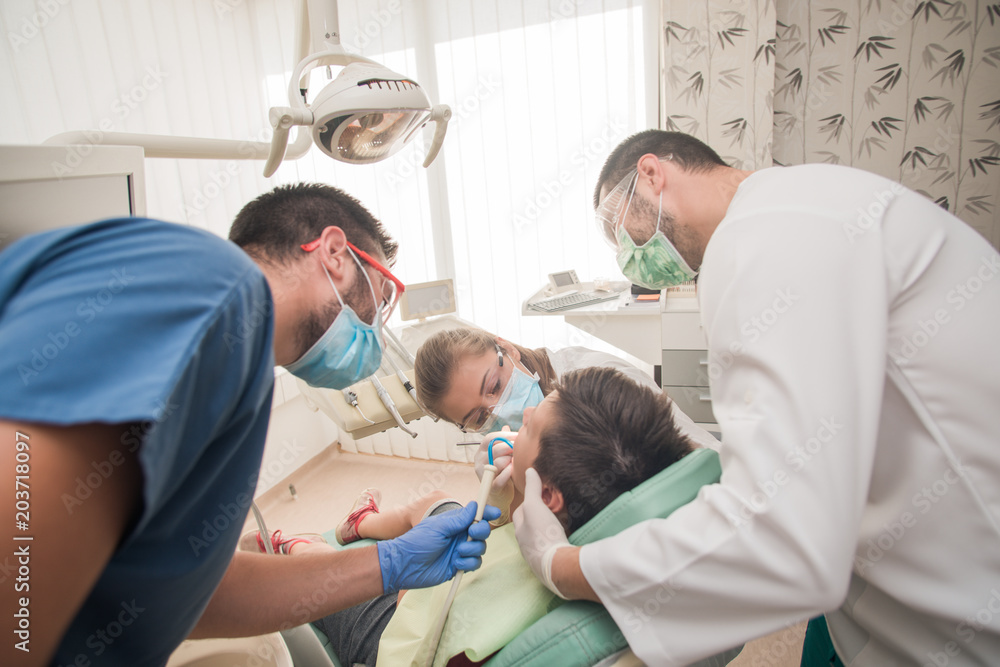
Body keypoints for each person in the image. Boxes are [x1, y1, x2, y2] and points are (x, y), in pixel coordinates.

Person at [512, 130, 1000, 665]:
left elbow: (781, 536)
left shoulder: (760, 243)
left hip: (959, 602)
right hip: (890, 568)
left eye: (619, 232)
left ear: (650, 174)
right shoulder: (798, 205)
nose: (628, 259)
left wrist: (559, 563)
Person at [0, 183, 497, 665]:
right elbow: (18, 546)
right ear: (335, 256)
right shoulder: (219, 291)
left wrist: (387, 565)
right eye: (381, 297)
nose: (376, 327)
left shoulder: (237, 355)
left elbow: (190, 594)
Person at [244, 367, 729, 667]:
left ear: (551, 497)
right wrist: (514, 492)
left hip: (400, 635)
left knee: (329, 566)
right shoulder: (617, 514)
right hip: (464, 574)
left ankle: (295, 543)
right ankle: (363, 523)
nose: (516, 422)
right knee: (433, 503)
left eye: (530, 426)